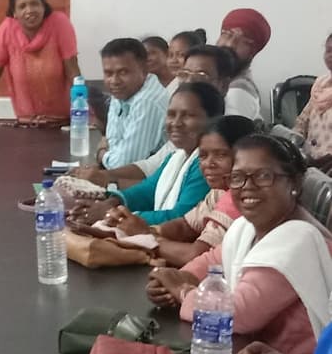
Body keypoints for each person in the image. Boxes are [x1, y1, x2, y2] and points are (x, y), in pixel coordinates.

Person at [147, 135, 332, 354]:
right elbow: (208, 264)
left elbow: (237, 315)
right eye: (237, 177)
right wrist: (169, 283)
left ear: (294, 183)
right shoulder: (246, 228)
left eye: (263, 176)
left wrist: (181, 290)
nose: (248, 186)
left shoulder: (299, 240)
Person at [74, 44, 238, 187]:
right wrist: (103, 177)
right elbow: (151, 167)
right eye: (185, 74)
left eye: (200, 76)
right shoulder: (183, 137)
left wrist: (104, 168)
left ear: (223, 84)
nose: (189, 82)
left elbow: (177, 204)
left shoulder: (226, 135)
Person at [105, 116, 256, 267]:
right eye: (203, 156)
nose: (209, 163)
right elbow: (185, 226)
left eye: (221, 155)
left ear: (245, 157)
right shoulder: (218, 192)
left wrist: (144, 236)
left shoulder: (238, 198)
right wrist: (138, 228)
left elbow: (195, 256)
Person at [74, 82, 223, 226]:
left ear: (213, 120)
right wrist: (111, 203)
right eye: (171, 114)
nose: (176, 123)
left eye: (188, 115)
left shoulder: (207, 166)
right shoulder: (176, 156)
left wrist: (115, 215)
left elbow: (180, 218)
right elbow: (148, 190)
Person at [96, 38, 169, 169]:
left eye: (123, 72)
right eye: (108, 73)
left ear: (144, 70)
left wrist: (102, 154)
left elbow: (124, 164)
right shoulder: (123, 92)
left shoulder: (148, 101)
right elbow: (112, 141)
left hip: (154, 178)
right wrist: (112, 153)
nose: (114, 81)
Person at [216, 8, 270, 120]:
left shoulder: (239, 91)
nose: (230, 44)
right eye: (227, 34)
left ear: (252, 52)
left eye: (244, 41)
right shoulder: (214, 78)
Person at [294, 32, 332, 173]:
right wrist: (294, 148)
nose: (330, 55)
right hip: (309, 165)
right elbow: (302, 122)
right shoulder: (320, 85)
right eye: (328, 50)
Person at [165, 29, 207, 95]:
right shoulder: (173, 85)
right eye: (170, 55)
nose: (173, 60)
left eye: (181, 55)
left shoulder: (199, 87)